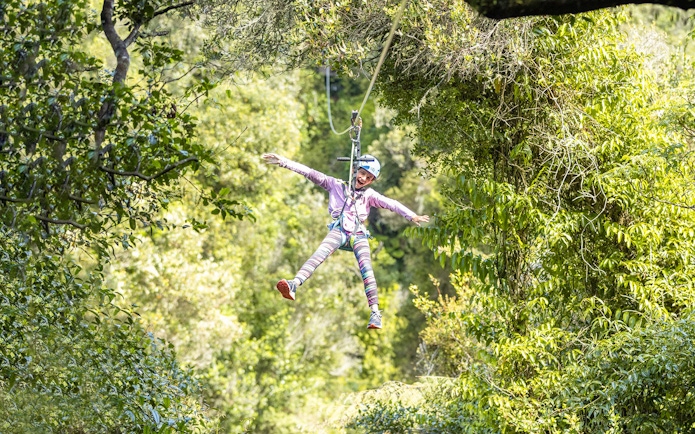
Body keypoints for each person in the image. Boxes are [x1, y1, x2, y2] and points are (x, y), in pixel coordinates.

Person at [262, 152, 429, 329]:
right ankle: (294, 284)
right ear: (355, 170)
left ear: (372, 181)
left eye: (369, 177)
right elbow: (309, 172)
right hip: (339, 230)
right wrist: (284, 162)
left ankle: (375, 312)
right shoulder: (335, 185)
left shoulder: (369, 195)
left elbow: (392, 203)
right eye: (363, 173)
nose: (364, 178)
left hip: (358, 233)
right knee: (320, 253)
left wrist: (411, 216)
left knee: (367, 268)